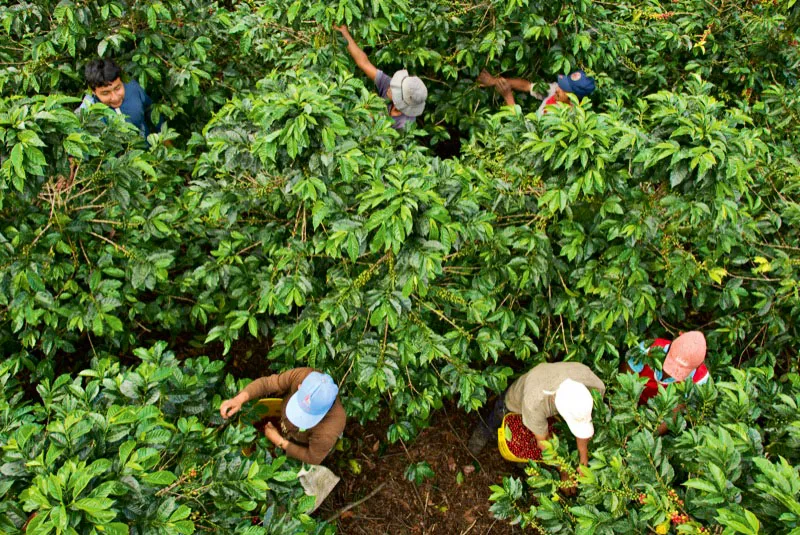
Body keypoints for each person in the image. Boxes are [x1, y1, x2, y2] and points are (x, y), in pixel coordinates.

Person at [469, 362, 605, 486]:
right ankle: (473, 448)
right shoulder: (534, 403)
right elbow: (543, 443)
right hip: (515, 402)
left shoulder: (595, 387)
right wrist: (564, 472)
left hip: (540, 392)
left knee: (528, 437)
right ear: (554, 401)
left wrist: (583, 461)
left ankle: (520, 465)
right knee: (494, 421)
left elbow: (582, 419)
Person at [220, 368, 346, 465]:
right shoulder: (303, 376)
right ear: (299, 387)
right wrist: (239, 399)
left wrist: (280, 442)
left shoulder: (328, 430)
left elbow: (312, 457)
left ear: (323, 413)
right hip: (281, 423)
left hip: (299, 443)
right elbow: (267, 383)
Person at [333, 24, 428, 129]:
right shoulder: (390, 86)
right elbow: (364, 63)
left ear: (400, 102)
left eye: (395, 90)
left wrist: (371, 117)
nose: (391, 86)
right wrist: (344, 33)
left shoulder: (404, 124)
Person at [622, 331, 710, 433]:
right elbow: (625, 377)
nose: (672, 373)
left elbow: (676, 412)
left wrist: (650, 435)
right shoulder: (649, 349)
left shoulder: (699, 380)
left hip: (659, 416)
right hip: (632, 400)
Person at [78, 58, 163, 139]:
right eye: (105, 93)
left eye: (117, 88)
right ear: (93, 91)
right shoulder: (86, 112)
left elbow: (152, 111)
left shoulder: (133, 88)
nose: (115, 98)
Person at [477, 69, 596, 114]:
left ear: (573, 98)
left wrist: (508, 96)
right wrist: (494, 81)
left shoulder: (564, 118)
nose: (558, 88)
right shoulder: (556, 90)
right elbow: (527, 86)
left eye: (564, 89)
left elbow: (521, 129)